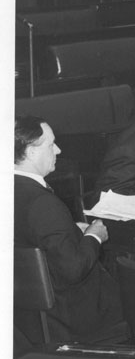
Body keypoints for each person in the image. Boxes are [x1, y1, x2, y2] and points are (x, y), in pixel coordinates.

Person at [14, 116, 124, 345]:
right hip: (74, 317)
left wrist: (70, 229)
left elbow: (29, 232)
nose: (58, 149)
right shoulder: (42, 202)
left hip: (27, 315)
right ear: (31, 151)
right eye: (51, 144)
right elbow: (72, 270)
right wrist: (94, 236)